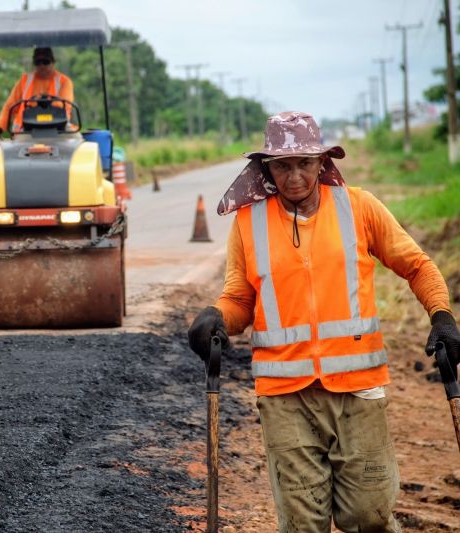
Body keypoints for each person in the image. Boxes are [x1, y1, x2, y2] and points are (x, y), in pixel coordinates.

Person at [187, 111, 460, 532]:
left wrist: (441, 316)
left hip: (358, 391)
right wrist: (216, 317)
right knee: (302, 524)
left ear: (322, 162)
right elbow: (241, 299)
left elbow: (418, 267)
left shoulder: (359, 208)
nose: (294, 175)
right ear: (266, 168)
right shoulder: (249, 222)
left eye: (304, 163)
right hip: (284, 397)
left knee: (368, 517)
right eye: (282, 165)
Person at [0, 47, 74, 140]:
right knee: (15, 149)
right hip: (25, 130)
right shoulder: (24, 81)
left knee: (77, 141)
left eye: (45, 62)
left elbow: (66, 106)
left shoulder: (64, 82)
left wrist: (43, 106)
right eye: (38, 62)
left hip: (58, 128)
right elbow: (9, 106)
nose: (42, 66)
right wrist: (0, 127)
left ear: (53, 62)